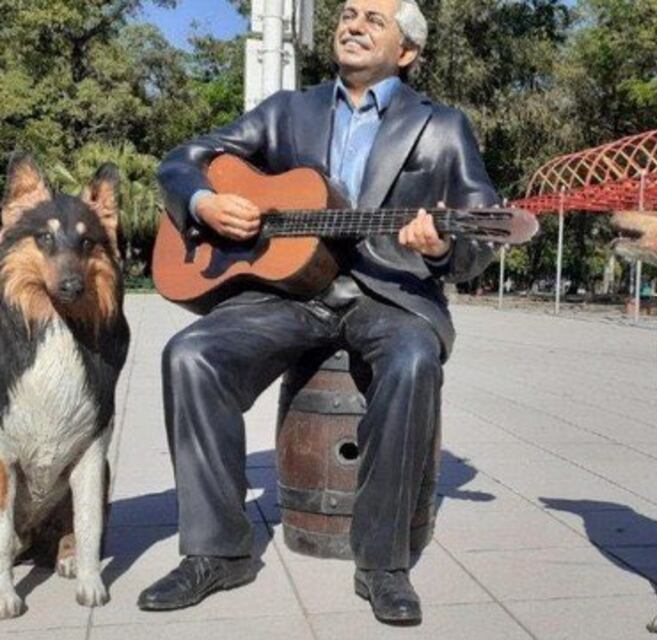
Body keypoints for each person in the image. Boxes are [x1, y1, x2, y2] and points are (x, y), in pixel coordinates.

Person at [138, 0, 498, 625]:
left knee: (414, 360)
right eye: (348, 13)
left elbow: (482, 236)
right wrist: (202, 203)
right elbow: (180, 160)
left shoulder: (442, 127)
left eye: (373, 20)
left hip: (390, 297)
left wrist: (444, 243)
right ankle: (218, 550)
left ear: (406, 52)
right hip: (290, 294)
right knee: (190, 354)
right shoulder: (287, 111)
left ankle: (383, 562)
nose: (352, 24)